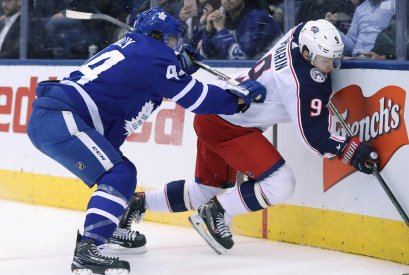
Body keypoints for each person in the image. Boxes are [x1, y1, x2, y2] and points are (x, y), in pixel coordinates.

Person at [26, 7, 266, 274]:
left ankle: (110, 227)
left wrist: (180, 69)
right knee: (120, 174)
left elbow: (148, 81)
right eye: (173, 41)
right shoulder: (152, 55)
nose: (175, 47)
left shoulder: (136, 49)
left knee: (120, 171)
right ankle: (87, 251)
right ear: (157, 36)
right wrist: (238, 99)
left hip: (56, 118)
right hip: (61, 118)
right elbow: (196, 99)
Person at [112, 19, 380, 255]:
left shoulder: (301, 32)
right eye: (326, 61)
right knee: (281, 183)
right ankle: (217, 212)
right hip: (230, 126)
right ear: (308, 53)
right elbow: (314, 137)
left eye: (335, 59)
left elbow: (324, 32)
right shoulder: (303, 82)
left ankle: (137, 204)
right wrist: (352, 150)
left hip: (216, 114)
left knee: (206, 189)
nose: (331, 67)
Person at [201, 0, 282, 59]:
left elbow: (241, 58)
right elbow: (206, 56)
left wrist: (221, 30)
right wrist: (209, 32)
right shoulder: (222, 18)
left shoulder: (259, 17)